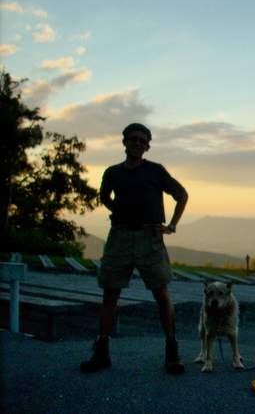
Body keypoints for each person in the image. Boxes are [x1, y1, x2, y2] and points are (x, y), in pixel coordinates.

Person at [80, 123, 189, 375]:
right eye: (134, 139)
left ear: (148, 146)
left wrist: (171, 226)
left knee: (161, 294)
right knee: (110, 294)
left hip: (150, 236)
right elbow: (104, 197)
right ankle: (102, 351)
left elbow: (181, 194)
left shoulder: (156, 170)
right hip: (119, 235)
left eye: (142, 140)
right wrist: (118, 211)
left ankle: (172, 351)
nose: (138, 144)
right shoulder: (112, 172)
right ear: (124, 142)